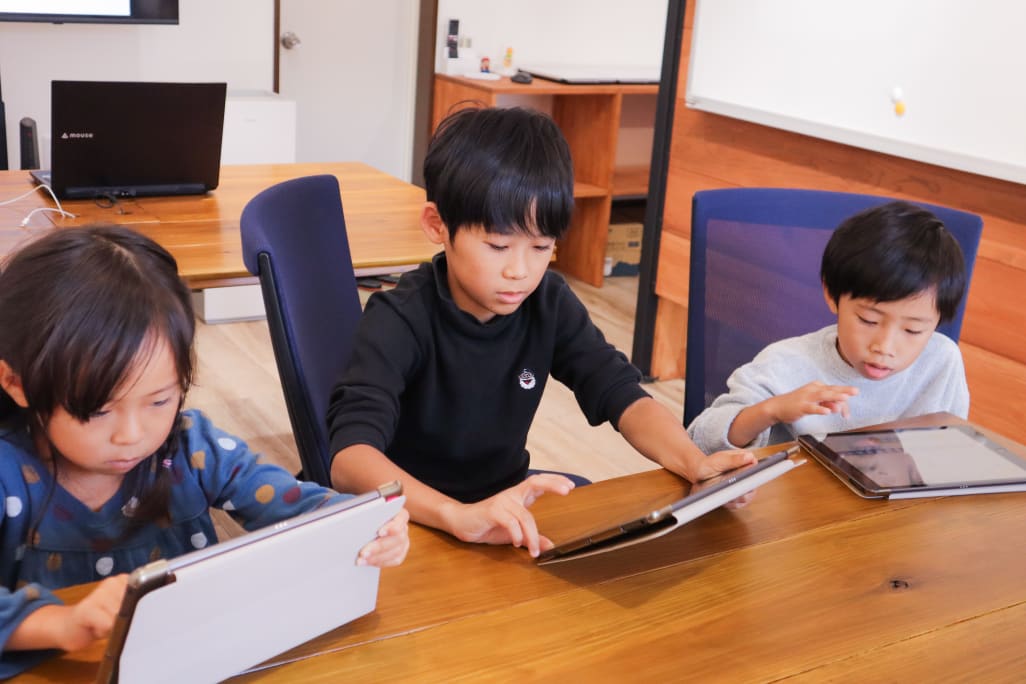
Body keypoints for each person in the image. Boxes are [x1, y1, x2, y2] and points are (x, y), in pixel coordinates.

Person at [327, 105, 757, 559]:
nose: (520, 270)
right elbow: (349, 460)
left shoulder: (547, 303)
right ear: (438, 225)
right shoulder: (399, 318)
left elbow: (622, 394)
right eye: (498, 245)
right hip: (410, 521)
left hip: (503, 508)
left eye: (541, 247)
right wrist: (456, 515)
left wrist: (695, 462)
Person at [0, 226, 410, 677]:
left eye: (160, 401)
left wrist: (368, 525)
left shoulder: (192, 447)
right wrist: (62, 624)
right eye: (98, 410)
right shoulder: (9, 474)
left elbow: (294, 503)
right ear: (17, 383)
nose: (132, 435)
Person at [687, 200, 969, 453]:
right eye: (869, 320)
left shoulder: (941, 361)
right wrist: (771, 411)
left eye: (913, 330)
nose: (884, 347)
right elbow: (700, 439)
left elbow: (949, 453)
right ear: (832, 295)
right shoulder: (785, 363)